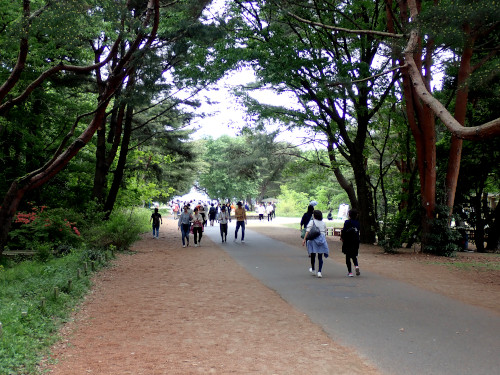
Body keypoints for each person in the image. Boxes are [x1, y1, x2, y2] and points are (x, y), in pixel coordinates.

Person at [302, 210, 329, 278]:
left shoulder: (312, 221)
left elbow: (307, 231)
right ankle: (319, 271)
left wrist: (304, 239)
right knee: (320, 256)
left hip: (314, 239)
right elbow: (324, 231)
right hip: (322, 239)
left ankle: (313, 269)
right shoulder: (323, 223)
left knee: (313, 254)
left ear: (314, 215)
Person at [341, 209, 361, 277]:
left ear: (349, 215)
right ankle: (356, 266)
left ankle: (350, 272)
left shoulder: (347, 222)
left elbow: (344, 231)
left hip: (347, 241)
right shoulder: (358, 223)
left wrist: (342, 238)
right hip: (355, 241)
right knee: (354, 255)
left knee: (348, 257)